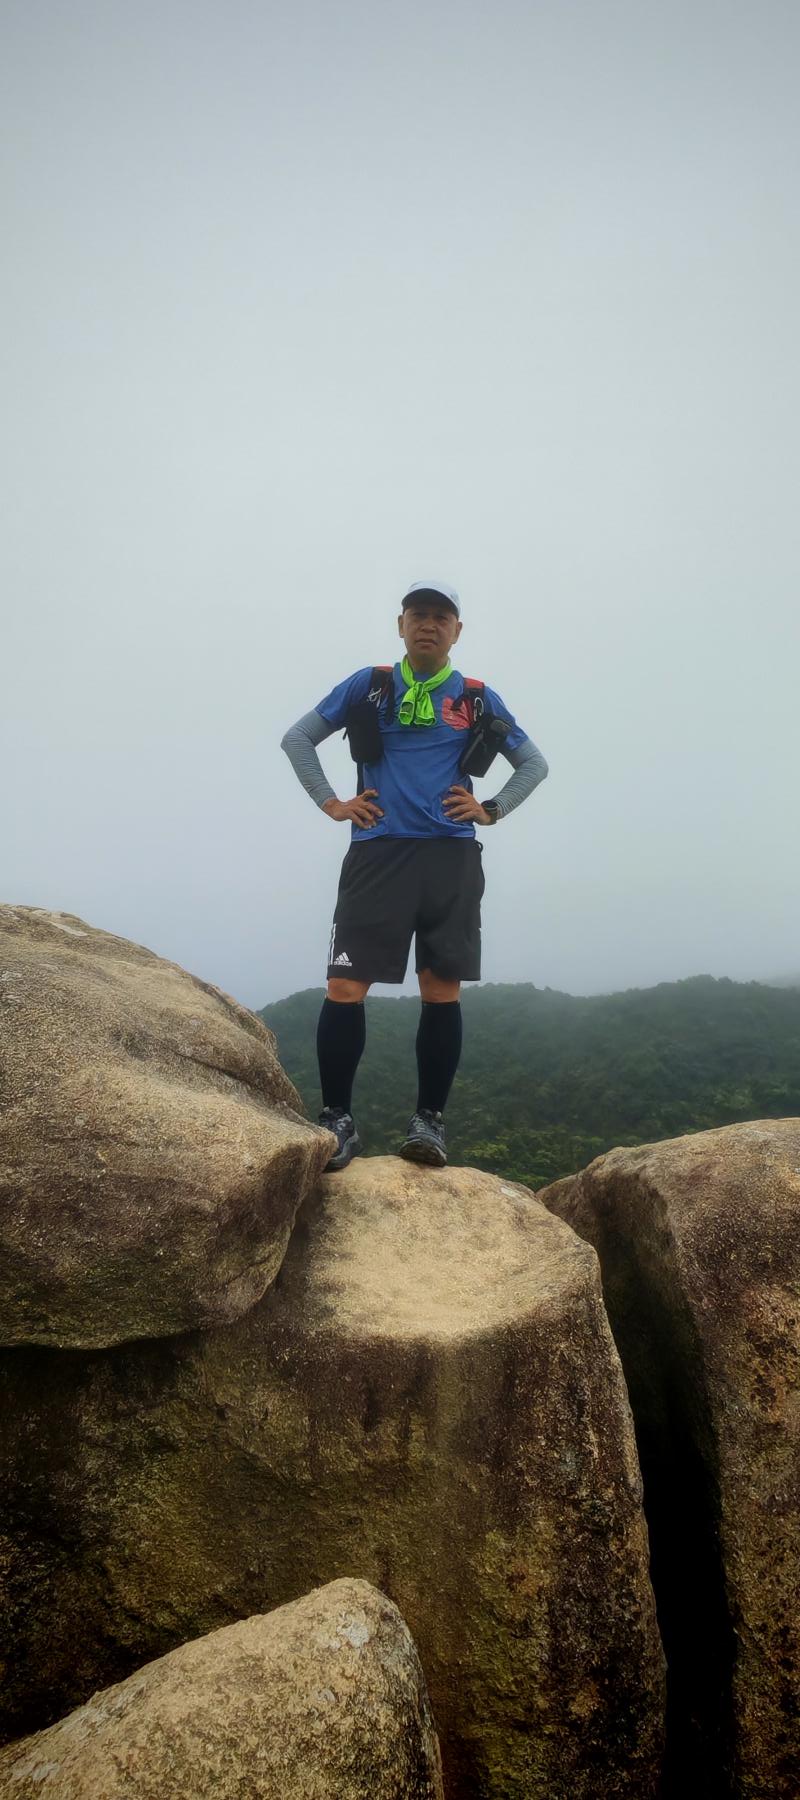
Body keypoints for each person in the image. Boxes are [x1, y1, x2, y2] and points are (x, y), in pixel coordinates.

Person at [281, 579, 548, 1170]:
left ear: (457, 631)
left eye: (441, 617)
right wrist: (332, 803)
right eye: (418, 614)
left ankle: (429, 1122)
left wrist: (492, 808)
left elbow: (533, 763)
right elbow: (298, 738)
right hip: (377, 852)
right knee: (345, 986)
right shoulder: (370, 685)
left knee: (441, 989)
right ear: (400, 625)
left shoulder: (476, 697)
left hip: (449, 857)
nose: (429, 624)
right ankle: (338, 1120)